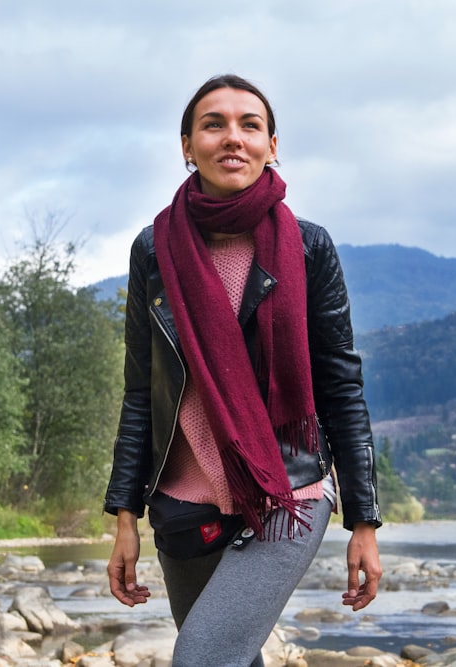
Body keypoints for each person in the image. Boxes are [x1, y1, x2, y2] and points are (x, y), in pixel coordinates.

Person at [104, 73, 382, 667]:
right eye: (214, 124)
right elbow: (140, 394)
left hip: (289, 494)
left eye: (249, 125)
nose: (233, 138)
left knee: (201, 658)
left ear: (271, 145)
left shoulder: (308, 248)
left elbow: (340, 389)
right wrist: (124, 515)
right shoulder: (153, 250)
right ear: (187, 147)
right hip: (183, 504)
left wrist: (364, 519)